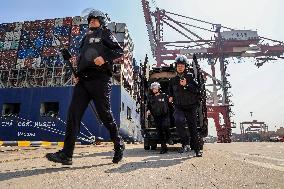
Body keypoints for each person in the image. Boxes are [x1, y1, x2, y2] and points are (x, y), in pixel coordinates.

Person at [46, 9, 125, 165]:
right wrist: (77, 73)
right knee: (73, 115)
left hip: (100, 79)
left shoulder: (105, 33)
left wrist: (104, 58)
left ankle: (118, 144)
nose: (92, 21)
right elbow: (82, 59)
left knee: (105, 115)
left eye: (95, 19)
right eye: (90, 20)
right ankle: (67, 155)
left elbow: (119, 51)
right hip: (83, 81)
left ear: (101, 21)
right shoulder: (84, 39)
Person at [168, 55, 202, 157]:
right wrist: (170, 97)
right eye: (178, 65)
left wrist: (186, 85)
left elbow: (197, 90)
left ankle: (197, 150)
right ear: (176, 67)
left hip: (191, 107)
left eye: (182, 66)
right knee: (178, 120)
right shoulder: (172, 80)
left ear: (185, 67)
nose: (180, 67)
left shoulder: (190, 77)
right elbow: (170, 92)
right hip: (179, 106)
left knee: (193, 129)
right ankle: (185, 143)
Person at [147, 82, 171, 154]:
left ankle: (169, 138)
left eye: (155, 87)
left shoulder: (164, 96)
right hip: (156, 116)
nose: (154, 89)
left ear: (158, 88)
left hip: (165, 115)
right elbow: (148, 106)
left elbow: (170, 105)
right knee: (160, 132)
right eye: (153, 88)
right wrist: (148, 110)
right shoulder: (151, 98)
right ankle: (164, 148)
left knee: (165, 126)